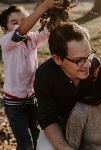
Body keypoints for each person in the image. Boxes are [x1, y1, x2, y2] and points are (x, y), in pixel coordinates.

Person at [34, 22, 101, 150]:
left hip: (99, 127)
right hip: (61, 125)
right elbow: (48, 119)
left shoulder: (100, 69)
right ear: (57, 59)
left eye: (89, 55)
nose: (87, 65)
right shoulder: (44, 76)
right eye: (78, 60)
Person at [0, 1, 62, 150]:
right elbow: (20, 31)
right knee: (25, 145)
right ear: (4, 29)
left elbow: (51, 28)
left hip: (32, 100)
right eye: (14, 23)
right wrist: (43, 7)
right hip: (15, 105)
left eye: (24, 20)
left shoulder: (32, 39)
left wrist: (57, 11)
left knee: (35, 140)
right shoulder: (6, 41)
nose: (21, 24)